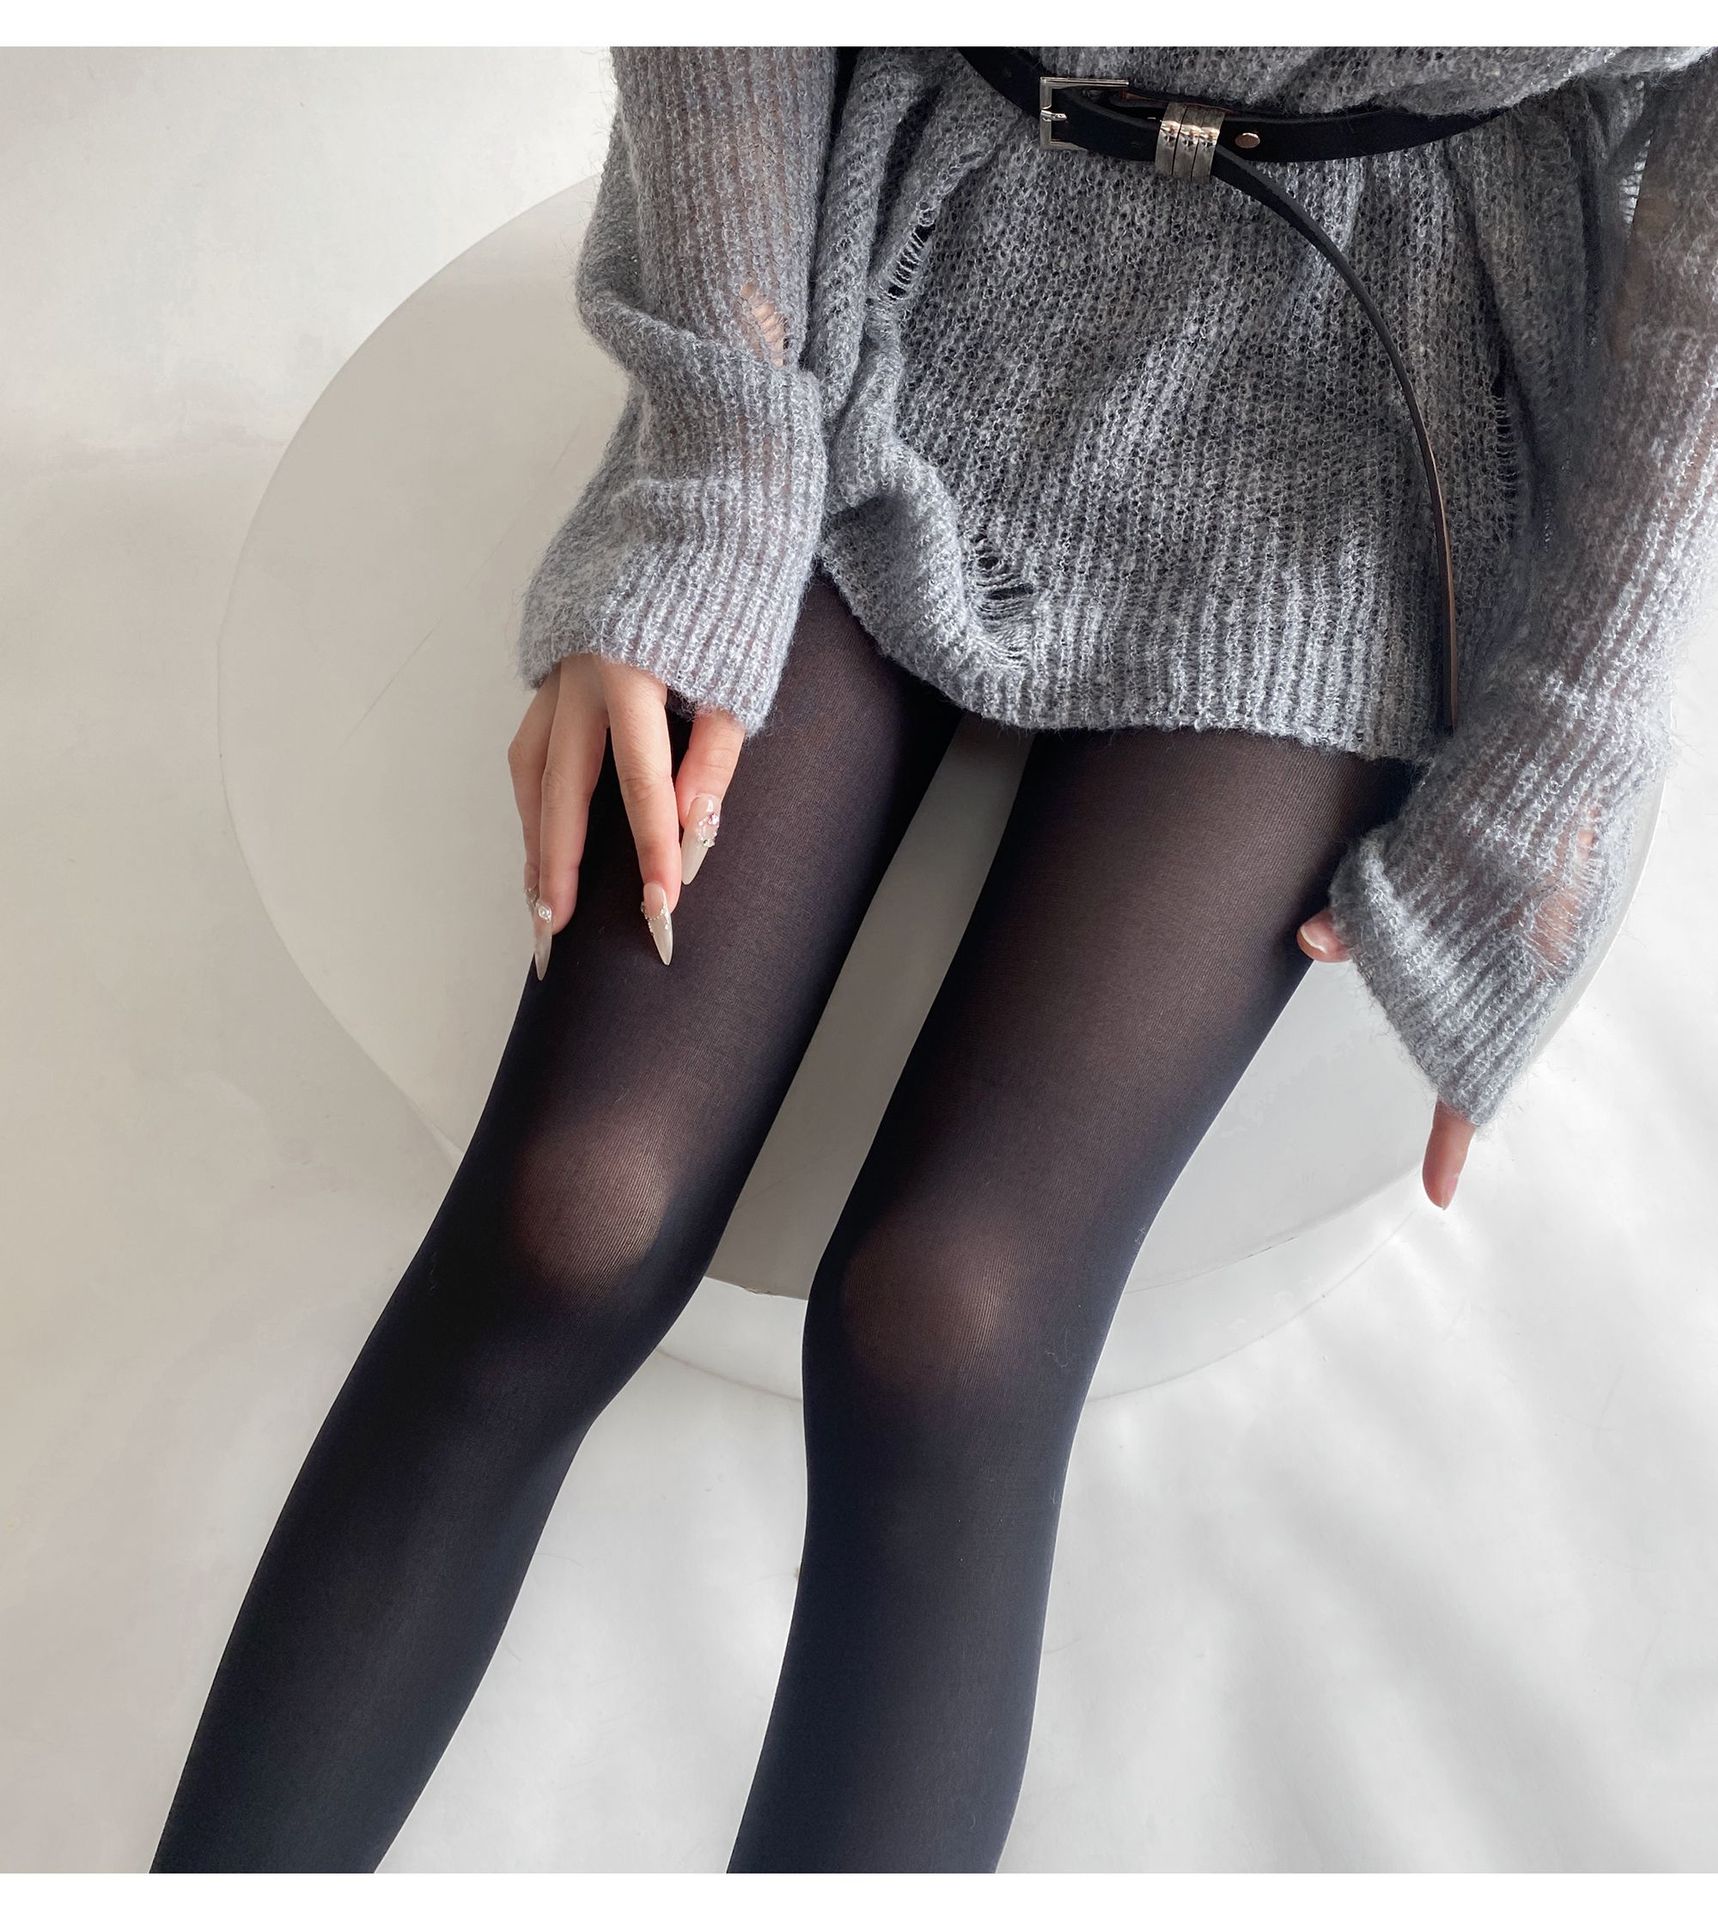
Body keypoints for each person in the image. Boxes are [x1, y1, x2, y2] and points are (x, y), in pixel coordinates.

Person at [151, 45, 1718, 1872]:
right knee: (572, 1208)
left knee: (946, 1328)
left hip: (1384, 372)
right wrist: (712, 459)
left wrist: (1573, 731)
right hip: (911, 244)